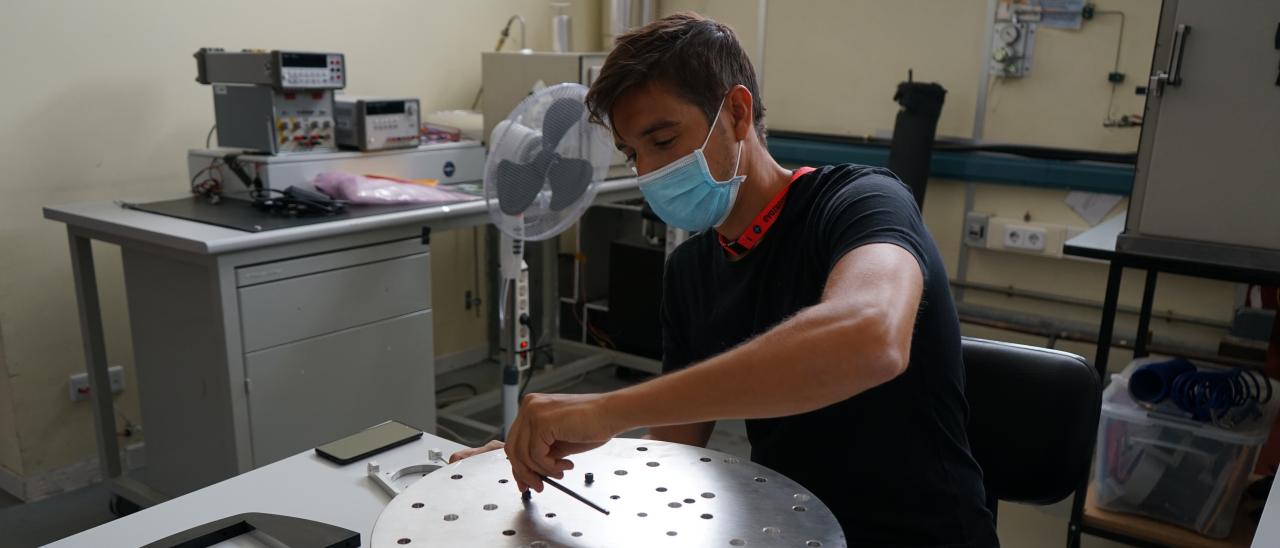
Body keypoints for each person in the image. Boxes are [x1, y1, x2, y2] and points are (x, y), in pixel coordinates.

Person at [451, 12, 997, 547]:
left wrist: (605, 410)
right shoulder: (689, 272)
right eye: (633, 154)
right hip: (794, 528)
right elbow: (672, 449)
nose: (647, 174)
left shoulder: (861, 203)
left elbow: (871, 337)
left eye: (662, 142)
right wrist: (535, 460)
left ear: (737, 113)